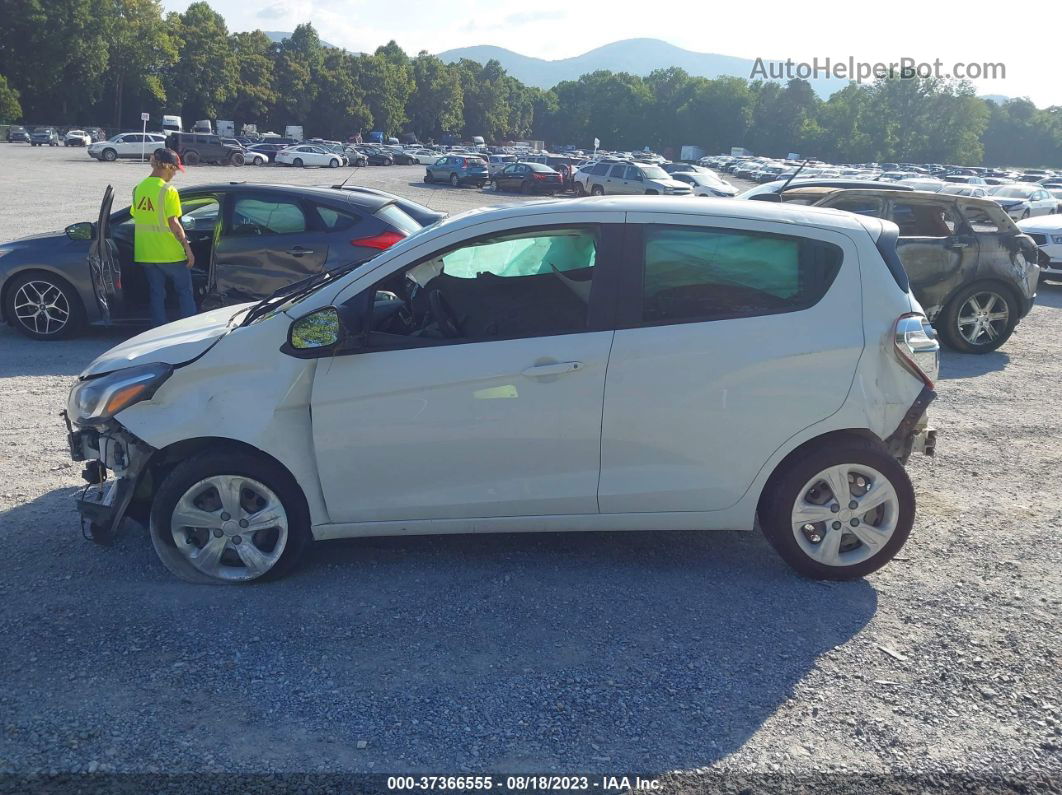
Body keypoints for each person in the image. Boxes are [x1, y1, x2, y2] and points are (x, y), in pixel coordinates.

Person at [132, 148, 196, 326]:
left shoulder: (138, 189)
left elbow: (137, 215)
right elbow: (174, 223)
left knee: (156, 293)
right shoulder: (168, 191)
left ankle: (158, 328)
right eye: (174, 169)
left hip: (146, 254)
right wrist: (187, 248)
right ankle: (191, 328)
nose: (174, 174)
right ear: (166, 166)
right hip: (169, 254)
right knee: (184, 291)